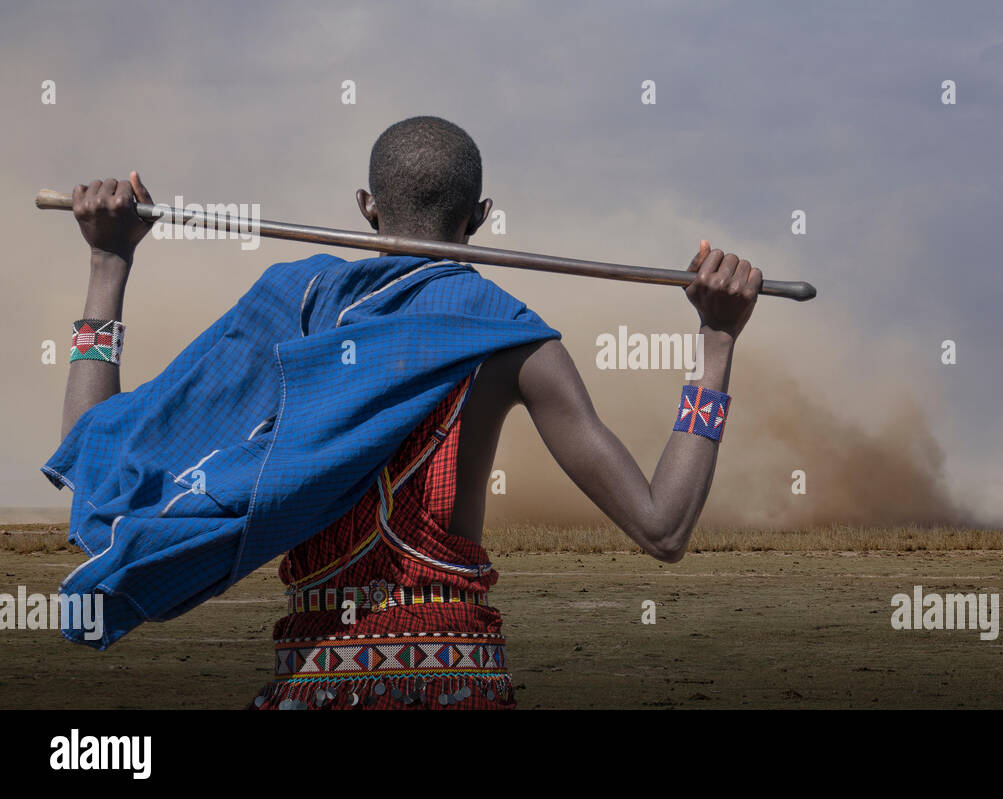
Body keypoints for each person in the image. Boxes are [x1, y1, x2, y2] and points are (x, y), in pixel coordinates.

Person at [52, 116, 761, 709]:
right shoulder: (512, 339)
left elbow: (98, 458)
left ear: (367, 206)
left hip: (318, 684)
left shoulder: (297, 309)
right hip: (461, 681)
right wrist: (717, 343)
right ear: (481, 217)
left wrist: (109, 262)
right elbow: (663, 527)